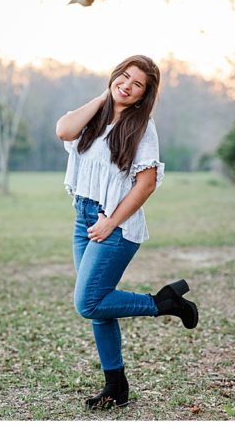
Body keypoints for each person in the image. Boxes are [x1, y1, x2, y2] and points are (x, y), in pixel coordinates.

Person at [56, 55, 199, 409]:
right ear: (114, 76)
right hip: (83, 219)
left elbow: (146, 183)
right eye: (124, 76)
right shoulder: (96, 116)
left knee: (87, 302)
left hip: (114, 225)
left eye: (137, 85)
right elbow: (64, 130)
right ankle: (116, 388)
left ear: (142, 96)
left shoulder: (142, 127)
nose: (127, 85)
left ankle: (163, 303)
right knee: (100, 307)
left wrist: (111, 221)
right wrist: (105, 97)